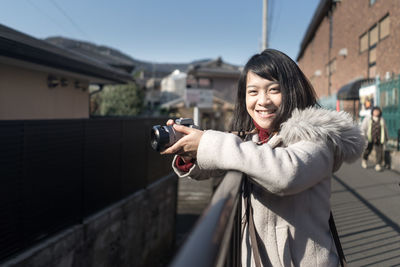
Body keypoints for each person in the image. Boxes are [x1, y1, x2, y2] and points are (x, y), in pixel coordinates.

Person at [161, 49, 365, 266]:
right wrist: (189, 152)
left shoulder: (317, 138)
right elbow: (224, 162)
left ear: (293, 90)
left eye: (274, 90)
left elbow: (286, 174)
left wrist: (206, 142)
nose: (263, 101)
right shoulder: (256, 139)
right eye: (253, 92)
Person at [361, 106, 388, 171]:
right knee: (368, 150)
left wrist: (386, 137)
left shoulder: (381, 119)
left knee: (379, 152)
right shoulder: (368, 119)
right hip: (369, 138)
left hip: (379, 138)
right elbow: (363, 128)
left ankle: (378, 165)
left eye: (377, 111)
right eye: (375, 111)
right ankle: (364, 160)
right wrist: (363, 136)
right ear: (372, 112)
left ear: (380, 112)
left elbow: (385, 129)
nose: (376, 112)